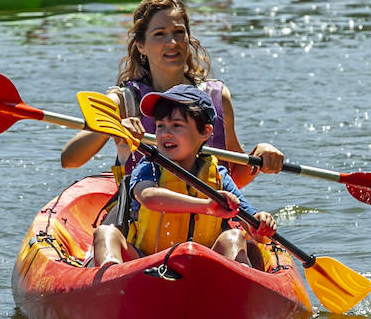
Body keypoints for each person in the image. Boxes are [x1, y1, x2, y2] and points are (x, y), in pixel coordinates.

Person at [60, 0, 283, 191]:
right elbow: (70, 159)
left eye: (179, 32)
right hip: (142, 222)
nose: (172, 42)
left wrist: (259, 157)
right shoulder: (123, 101)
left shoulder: (215, 97)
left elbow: (234, 175)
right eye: (160, 34)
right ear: (140, 45)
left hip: (208, 219)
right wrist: (113, 127)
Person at [89, 84, 278, 268]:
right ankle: (110, 277)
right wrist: (207, 207)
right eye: (160, 126)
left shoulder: (219, 177)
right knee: (106, 233)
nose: (165, 134)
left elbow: (256, 231)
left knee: (234, 237)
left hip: (203, 267)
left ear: (205, 132)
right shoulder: (149, 166)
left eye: (176, 125)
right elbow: (148, 197)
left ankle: (241, 284)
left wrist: (261, 223)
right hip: (143, 264)